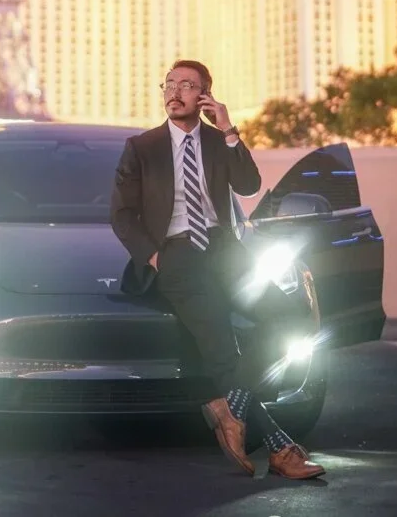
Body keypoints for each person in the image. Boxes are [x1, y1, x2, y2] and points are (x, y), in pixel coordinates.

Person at [109, 59, 325, 479]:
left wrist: (229, 130)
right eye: (169, 83)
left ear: (204, 95)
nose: (175, 91)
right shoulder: (142, 147)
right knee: (224, 349)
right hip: (176, 255)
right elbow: (121, 214)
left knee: (289, 316)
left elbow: (248, 185)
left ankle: (230, 411)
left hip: (225, 251)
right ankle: (281, 451)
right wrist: (154, 257)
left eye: (187, 85)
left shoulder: (215, 141)